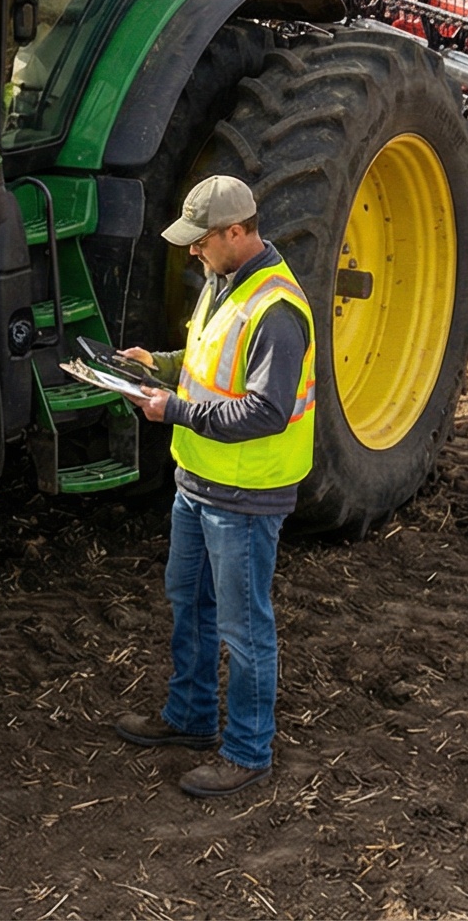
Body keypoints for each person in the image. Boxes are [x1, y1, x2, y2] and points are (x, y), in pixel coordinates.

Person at [107, 174, 317, 798]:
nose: (193, 250)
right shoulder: (222, 282)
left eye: (201, 240)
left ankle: (248, 752)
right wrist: (158, 365)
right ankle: (191, 716)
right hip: (198, 483)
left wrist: (172, 409)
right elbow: (205, 365)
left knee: (243, 629)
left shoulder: (277, 311)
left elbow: (265, 412)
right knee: (189, 603)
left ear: (236, 232)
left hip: (245, 497)